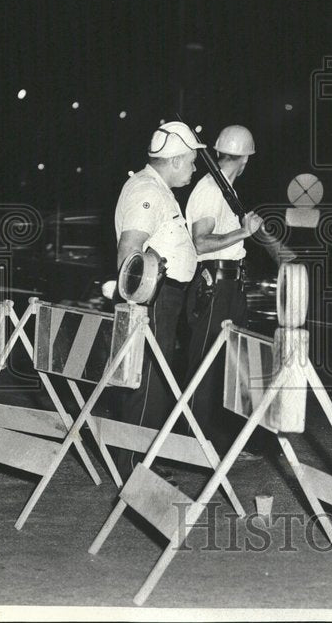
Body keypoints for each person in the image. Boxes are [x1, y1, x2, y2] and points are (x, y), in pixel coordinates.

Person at [112, 121, 204, 481]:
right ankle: (132, 469)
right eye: (193, 162)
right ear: (177, 159)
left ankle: (143, 460)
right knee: (145, 380)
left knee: (154, 381)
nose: (195, 170)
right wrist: (140, 304)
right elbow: (129, 248)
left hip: (161, 297)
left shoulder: (158, 189)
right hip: (153, 296)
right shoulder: (147, 190)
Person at [184, 125, 267, 458]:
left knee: (229, 366)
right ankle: (191, 445)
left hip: (231, 284)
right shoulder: (210, 189)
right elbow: (200, 242)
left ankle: (220, 443)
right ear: (246, 158)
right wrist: (242, 233)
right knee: (203, 366)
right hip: (214, 284)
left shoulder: (226, 188)